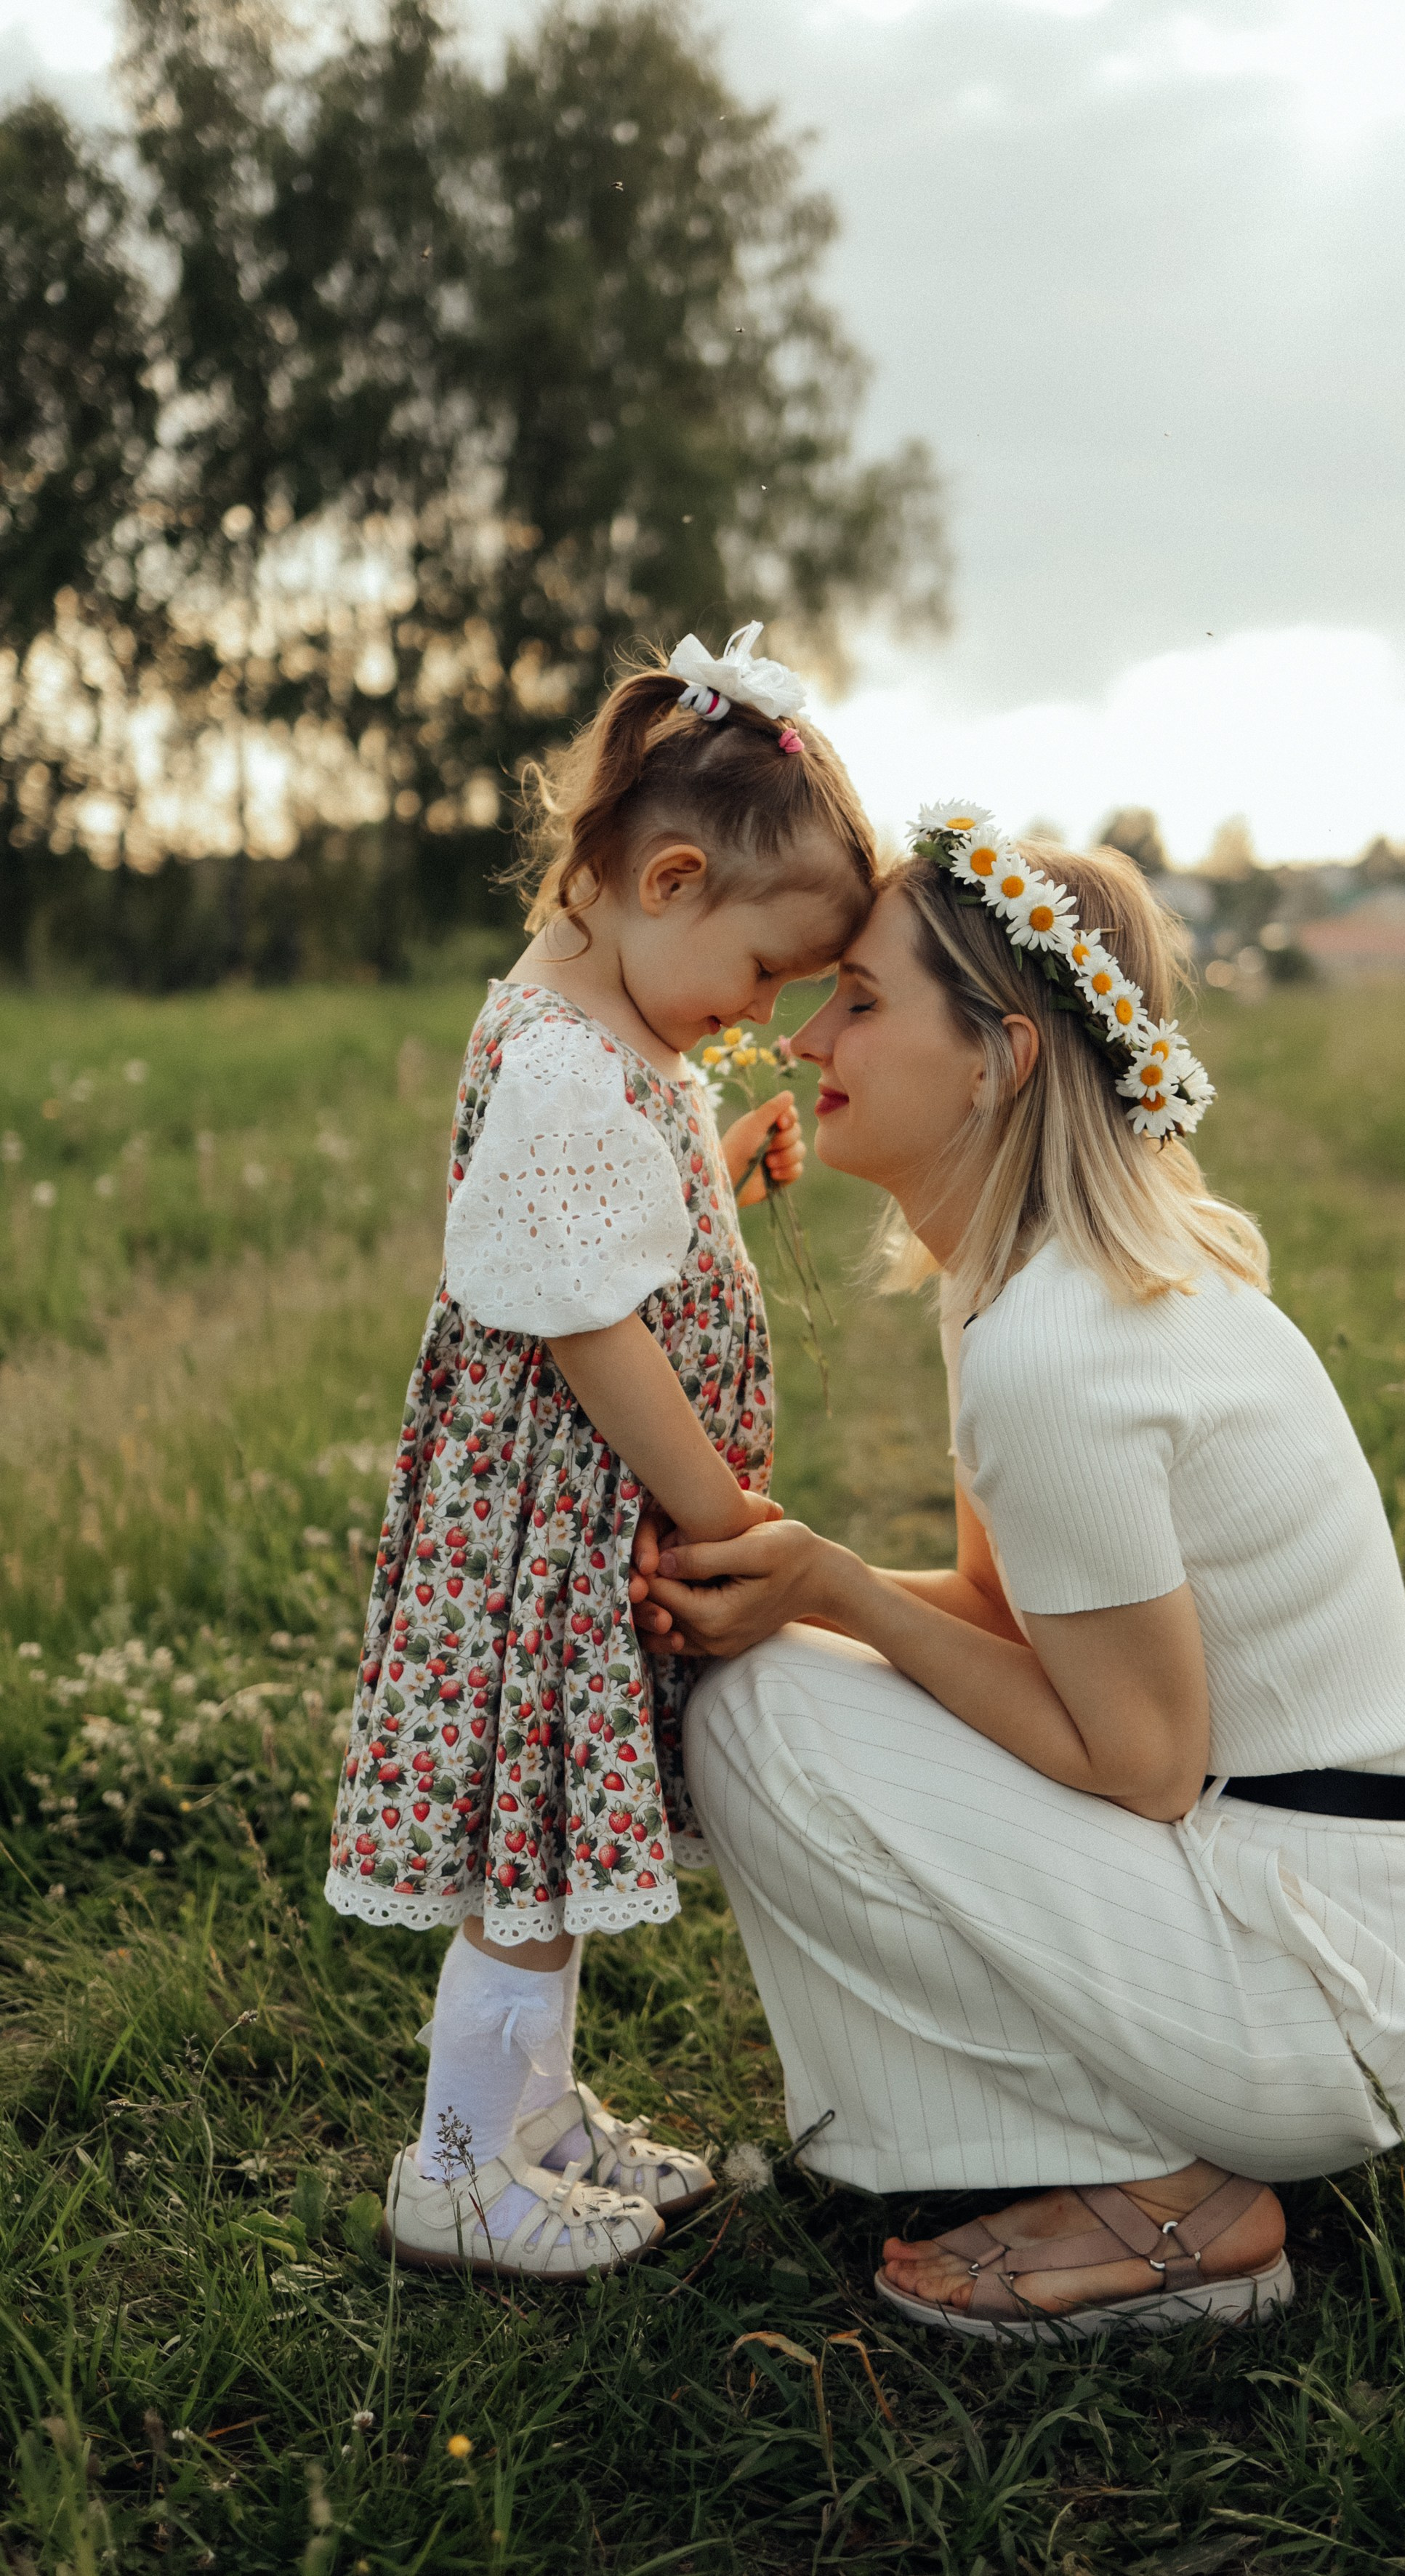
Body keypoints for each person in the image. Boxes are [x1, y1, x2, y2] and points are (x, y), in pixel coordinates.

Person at [634, 806, 1405, 2340]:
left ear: (1000, 1058)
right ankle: (1102, 2148)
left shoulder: (1056, 1347)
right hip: (1293, 1911)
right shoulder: (1020, 1288)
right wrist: (802, 1587)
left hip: (1313, 1986)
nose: (807, 1033)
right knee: (765, 1683)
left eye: (863, 1002)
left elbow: (1136, 1761)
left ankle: (1167, 2196)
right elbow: (1019, 1632)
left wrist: (831, 1587)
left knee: (764, 1714)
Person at [324, 626, 876, 2279]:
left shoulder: (608, 1024)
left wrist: (716, 1164)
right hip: (553, 1520)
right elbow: (582, 1324)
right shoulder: (572, 1060)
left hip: (568, 1515)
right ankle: (456, 2166)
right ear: (672, 877)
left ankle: (535, 2119)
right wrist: (713, 1503)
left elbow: (594, 1228)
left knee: (553, 1825)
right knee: (532, 1839)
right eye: (766, 972)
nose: (764, 1012)